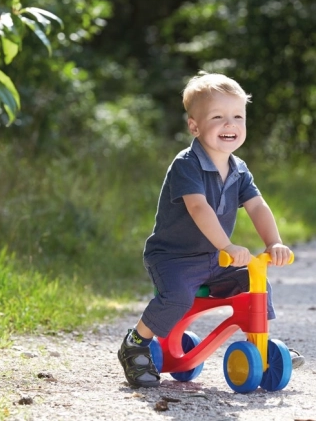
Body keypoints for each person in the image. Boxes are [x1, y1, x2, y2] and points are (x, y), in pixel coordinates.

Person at [118, 71, 305, 388]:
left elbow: (257, 206)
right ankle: (135, 343)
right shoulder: (187, 164)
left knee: (253, 280)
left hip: (215, 260)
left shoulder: (239, 168)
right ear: (195, 125)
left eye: (237, 116)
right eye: (218, 117)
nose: (229, 124)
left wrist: (274, 242)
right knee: (176, 297)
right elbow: (199, 208)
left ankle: (260, 345)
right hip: (174, 257)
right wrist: (227, 246)